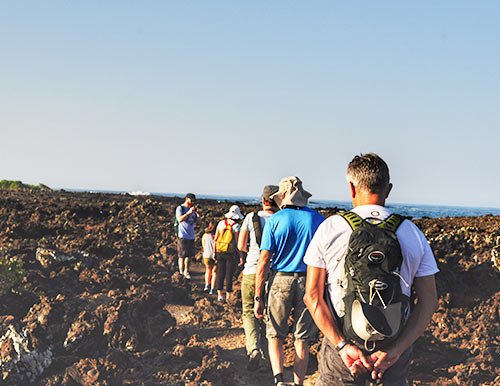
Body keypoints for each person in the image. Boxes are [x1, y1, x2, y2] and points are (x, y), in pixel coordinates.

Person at [303, 153, 439, 386]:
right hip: (391, 351)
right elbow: (429, 301)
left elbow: (312, 297)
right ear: (389, 189)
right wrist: (396, 350)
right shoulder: (412, 233)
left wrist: (343, 346)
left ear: (352, 188)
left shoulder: (331, 228)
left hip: (342, 352)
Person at [254, 176, 325, 386]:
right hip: (309, 281)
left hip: (280, 280)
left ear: (282, 198)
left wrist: (259, 297)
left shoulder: (275, 220)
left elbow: (264, 261)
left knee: (275, 334)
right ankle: (298, 382)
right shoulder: (318, 219)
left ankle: (279, 380)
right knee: (302, 338)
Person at [237, 185, 279, 371]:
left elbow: (241, 245)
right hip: (273, 273)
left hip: (250, 271)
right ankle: (272, 355)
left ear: (263, 200)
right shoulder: (281, 219)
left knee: (249, 312)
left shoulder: (250, 218)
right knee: (270, 314)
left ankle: (253, 349)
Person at [214, 204, 244, 302]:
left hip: (220, 251)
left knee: (220, 273)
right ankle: (227, 295)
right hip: (230, 253)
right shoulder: (236, 226)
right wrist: (241, 256)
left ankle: (219, 295)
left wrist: (215, 252)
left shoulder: (221, 223)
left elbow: (216, 239)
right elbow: (237, 243)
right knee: (229, 274)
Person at [176, 193, 198, 279]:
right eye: (191, 200)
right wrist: (188, 213)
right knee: (182, 255)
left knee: (189, 256)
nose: (192, 202)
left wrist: (197, 214)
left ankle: (186, 271)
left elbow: (198, 222)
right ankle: (181, 273)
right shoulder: (180, 208)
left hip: (191, 235)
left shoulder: (192, 209)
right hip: (183, 235)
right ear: (186, 199)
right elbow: (180, 219)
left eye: (193, 201)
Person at [201, 222, 216, 294]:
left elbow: (203, 246)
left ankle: (207, 285)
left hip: (206, 255)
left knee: (208, 270)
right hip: (215, 255)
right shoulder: (216, 236)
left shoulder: (204, 235)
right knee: (214, 272)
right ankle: (213, 289)